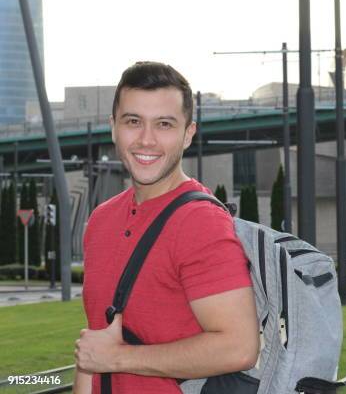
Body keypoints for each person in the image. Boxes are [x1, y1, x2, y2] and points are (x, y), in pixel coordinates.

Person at [73, 62, 259, 393]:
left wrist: (117, 359)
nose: (147, 140)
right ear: (113, 127)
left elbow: (239, 347)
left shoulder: (200, 222)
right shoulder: (101, 220)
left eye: (164, 124)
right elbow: (94, 353)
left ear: (188, 133)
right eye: (133, 122)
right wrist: (103, 360)